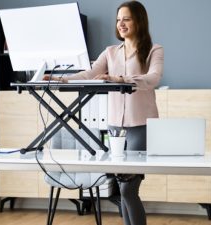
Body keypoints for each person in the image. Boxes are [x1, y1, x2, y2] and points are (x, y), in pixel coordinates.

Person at [44, 1, 163, 225]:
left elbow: (154, 78)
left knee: (129, 188)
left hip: (141, 125)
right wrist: (61, 79)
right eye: (118, 19)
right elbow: (89, 74)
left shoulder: (154, 50)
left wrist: (122, 80)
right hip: (115, 127)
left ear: (139, 21)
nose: (121, 24)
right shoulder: (110, 52)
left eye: (126, 19)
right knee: (121, 189)